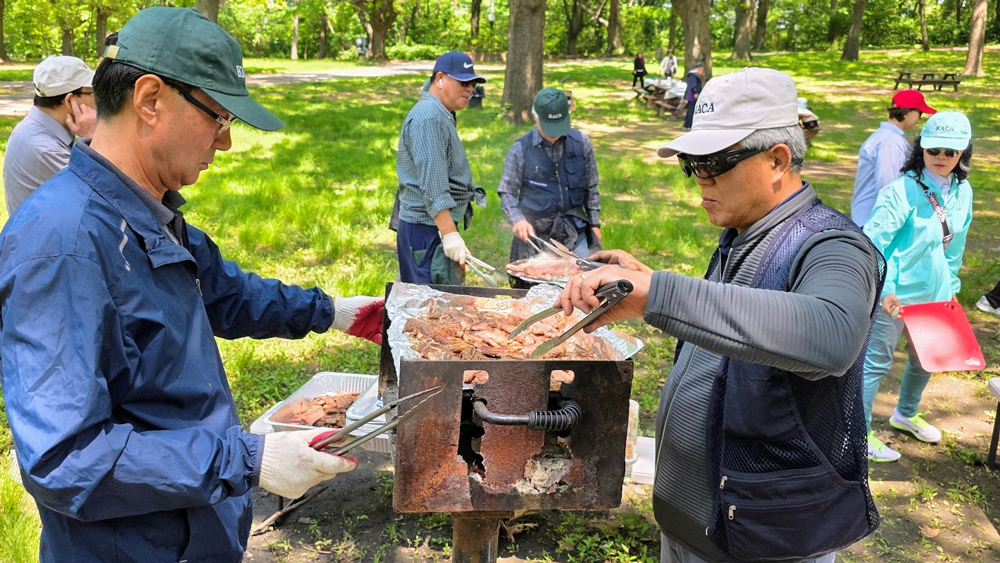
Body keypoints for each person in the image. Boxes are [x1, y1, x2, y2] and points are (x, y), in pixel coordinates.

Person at [0, 8, 385, 562]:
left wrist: (333, 311)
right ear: (150, 100)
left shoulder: (145, 210)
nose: (224, 143)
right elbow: (66, 460)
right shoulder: (63, 244)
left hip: (196, 532)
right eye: (218, 118)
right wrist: (247, 461)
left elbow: (226, 293)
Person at [555, 67, 882, 563]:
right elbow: (743, 324)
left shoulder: (832, 244)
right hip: (694, 531)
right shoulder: (746, 235)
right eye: (692, 164)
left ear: (777, 160)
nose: (700, 180)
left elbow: (832, 335)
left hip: (761, 546)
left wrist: (659, 294)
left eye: (714, 162)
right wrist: (650, 281)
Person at [862, 111, 974, 463]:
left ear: (962, 153)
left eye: (950, 151)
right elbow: (874, 244)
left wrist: (950, 287)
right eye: (933, 149)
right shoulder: (900, 191)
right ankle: (858, 433)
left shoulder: (963, 192)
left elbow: (955, 246)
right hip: (895, 297)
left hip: (934, 295)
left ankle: (905, 414)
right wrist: (885, 290)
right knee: (876, 363)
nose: (941, 157)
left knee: (925, 360)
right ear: (921, 149)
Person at [393, 50, 487, 285]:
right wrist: (449, 233)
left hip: (431, 227)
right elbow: (433, 187)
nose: (470, 89)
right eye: (463, 82)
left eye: (473, 83)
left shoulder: (439, 112)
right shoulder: (430, 119)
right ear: (440, 79)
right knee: (431, 302)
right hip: (427, 230)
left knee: (442, 298)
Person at [497, 88, 602, 267]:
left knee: (585, 277)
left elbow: (591, 187)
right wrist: (518, 220)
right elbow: (507, 191)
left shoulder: (582, 144)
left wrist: (594, 224)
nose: (553, 134)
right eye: (548, 128)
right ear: (535, 116)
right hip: (535, 235)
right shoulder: (520, 149)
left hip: (575, 231)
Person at [3, 56, 97, 215]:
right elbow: (102, 198)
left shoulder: (37, 129)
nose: (97, 100)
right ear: (70, 101)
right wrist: (93, 136)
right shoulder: (46, 149)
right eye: (92, 92)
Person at [849, 90, 936, 226]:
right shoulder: (890, 142)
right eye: (920, 113)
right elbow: (887, 185)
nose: (920, 118)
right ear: (906, 112)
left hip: (870, 218)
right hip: (873, 221)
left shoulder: (885, 137)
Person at [682, 62, 704, 129]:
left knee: (690, 110)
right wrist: (695, 92)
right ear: (700, 68)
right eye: (702, 69)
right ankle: (689, 125)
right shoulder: (693, 75)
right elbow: (692, 86)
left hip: (692, 95)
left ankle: (686, 125)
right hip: (692, 96)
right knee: (691, 110)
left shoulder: (693, 75)